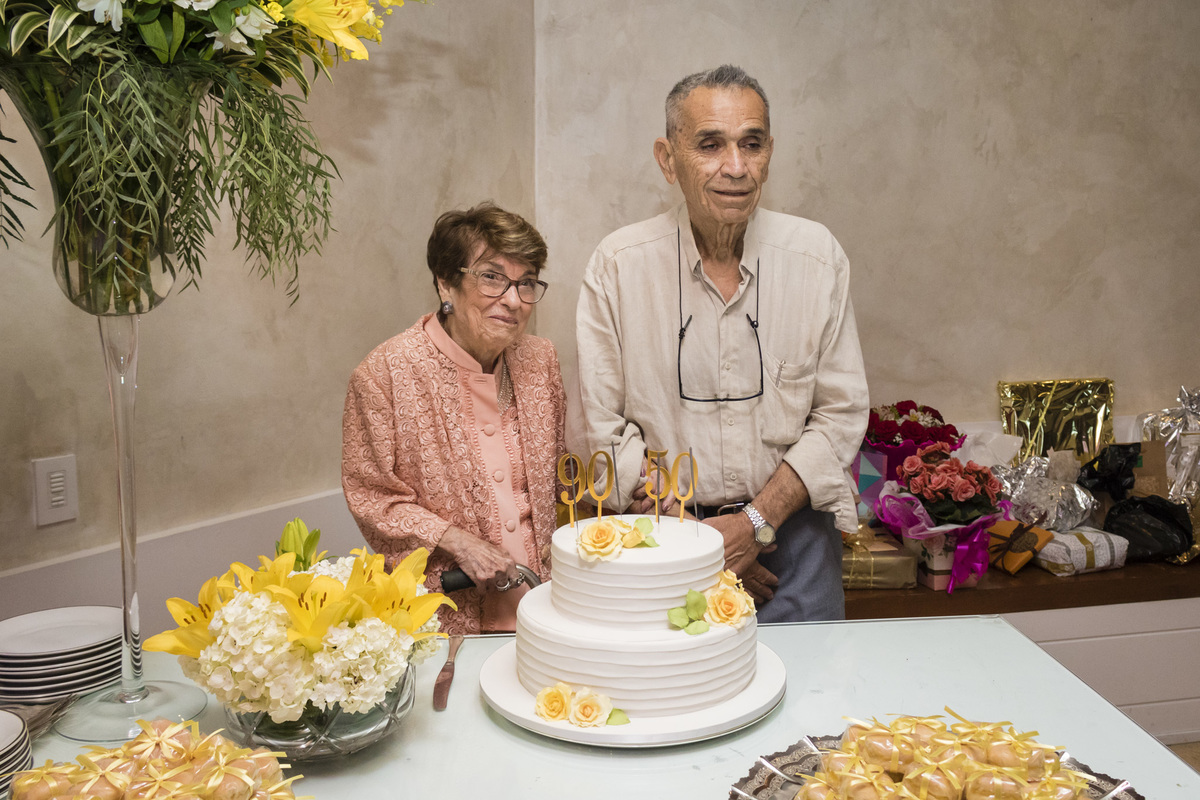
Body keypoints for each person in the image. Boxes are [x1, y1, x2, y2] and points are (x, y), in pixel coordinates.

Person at [576, 65, 868, 622]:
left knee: (808, 699)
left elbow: (841, 412)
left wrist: (755, 524)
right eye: (710, 145)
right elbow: (599, 425)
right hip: (662, 537)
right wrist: (702, 544)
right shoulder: (618, 265)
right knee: (676, 699)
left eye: (751, 144)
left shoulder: (816, 256)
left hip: (793, 547)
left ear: (768, 153)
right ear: (668, 159)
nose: (735, 167)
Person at [343, 202, 566, 634]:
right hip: (447, 609)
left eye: (527, 283)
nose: (514, 300)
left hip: (546, 602)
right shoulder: (384, 374)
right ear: (446, 284)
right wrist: (458, 541)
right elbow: (372, 496)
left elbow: (561, 476)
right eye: (492, 278)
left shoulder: (541, 360)